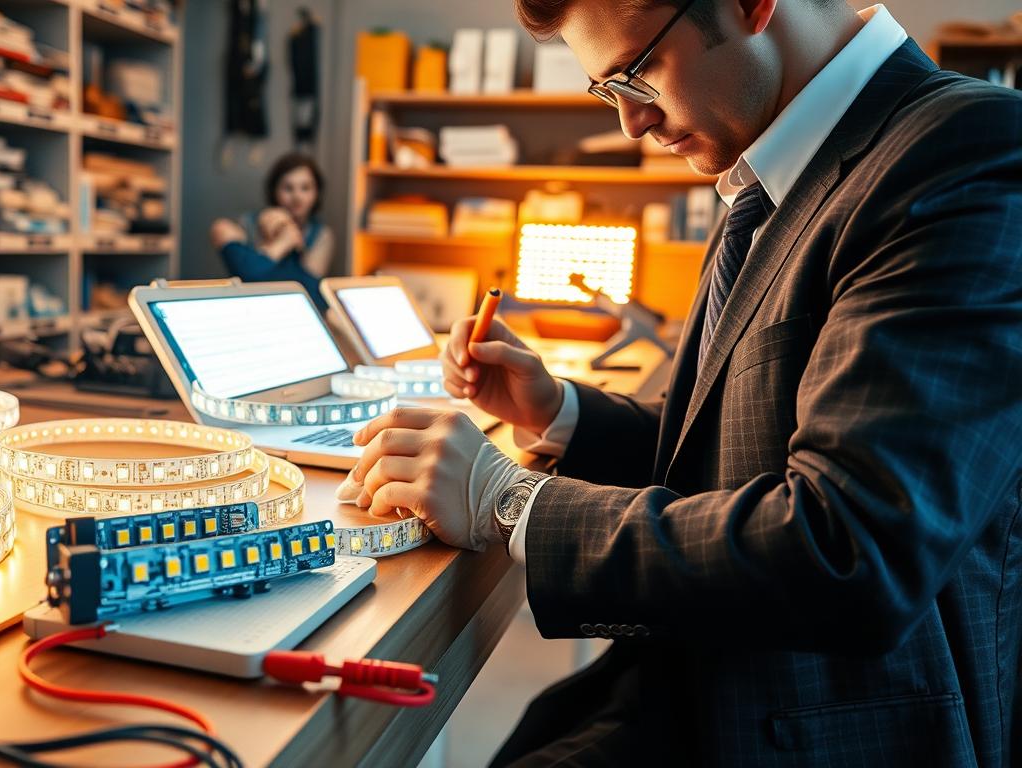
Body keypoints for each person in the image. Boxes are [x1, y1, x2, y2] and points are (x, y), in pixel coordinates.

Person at [345, 1, 1022, 765]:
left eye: (636, 74)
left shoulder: (965, 150)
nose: (633, 124)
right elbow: (737, 451)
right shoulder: (766, 172)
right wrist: (558, 411)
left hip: (814, 725)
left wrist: (508, 501)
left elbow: (853, 550)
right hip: (685, 686)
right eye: (611, 92)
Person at [210, 152, 333, 309]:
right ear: (274, 190)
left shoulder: (322, 235)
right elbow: (246, 281)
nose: (297, 197)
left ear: (317, 193)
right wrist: (284, 242)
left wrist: (282, 238)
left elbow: (312, 296)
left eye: (305, 188)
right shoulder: (247, 224)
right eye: (288, 188)